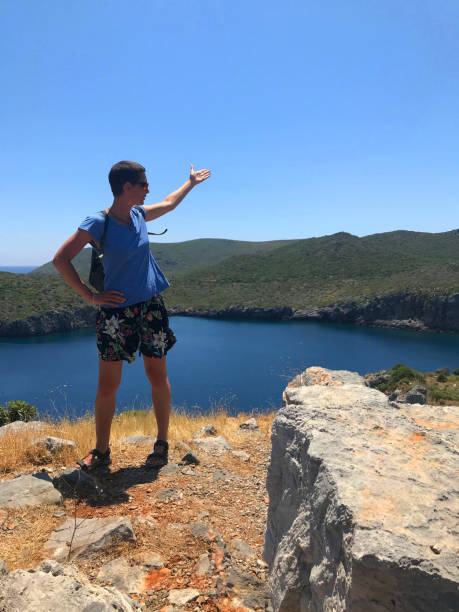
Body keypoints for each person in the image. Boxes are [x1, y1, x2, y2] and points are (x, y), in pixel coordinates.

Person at [53, 160, 211, 471]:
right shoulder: (99, 223)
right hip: (115, 314)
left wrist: (190, 184)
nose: (148, 189)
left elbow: (168, 203)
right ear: (126, 187)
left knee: (157, 376)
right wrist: (91, 296)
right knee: (107, 386)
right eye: (143, 184)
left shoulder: (138, 214)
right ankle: (101, 452)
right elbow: (61, 259)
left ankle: (161, 444)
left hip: (150, 307)